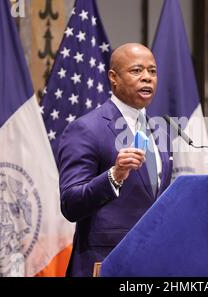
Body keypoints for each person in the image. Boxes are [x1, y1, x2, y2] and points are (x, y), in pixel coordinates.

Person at [57, 43, 173, 277]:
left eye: (152, 71)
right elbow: (71, 204)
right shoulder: (86, 129)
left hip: (153, 264)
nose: (147, 78)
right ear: (114, 78)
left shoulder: (161, 131)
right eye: (136, 71)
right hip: (106, 264)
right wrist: (114, 176)